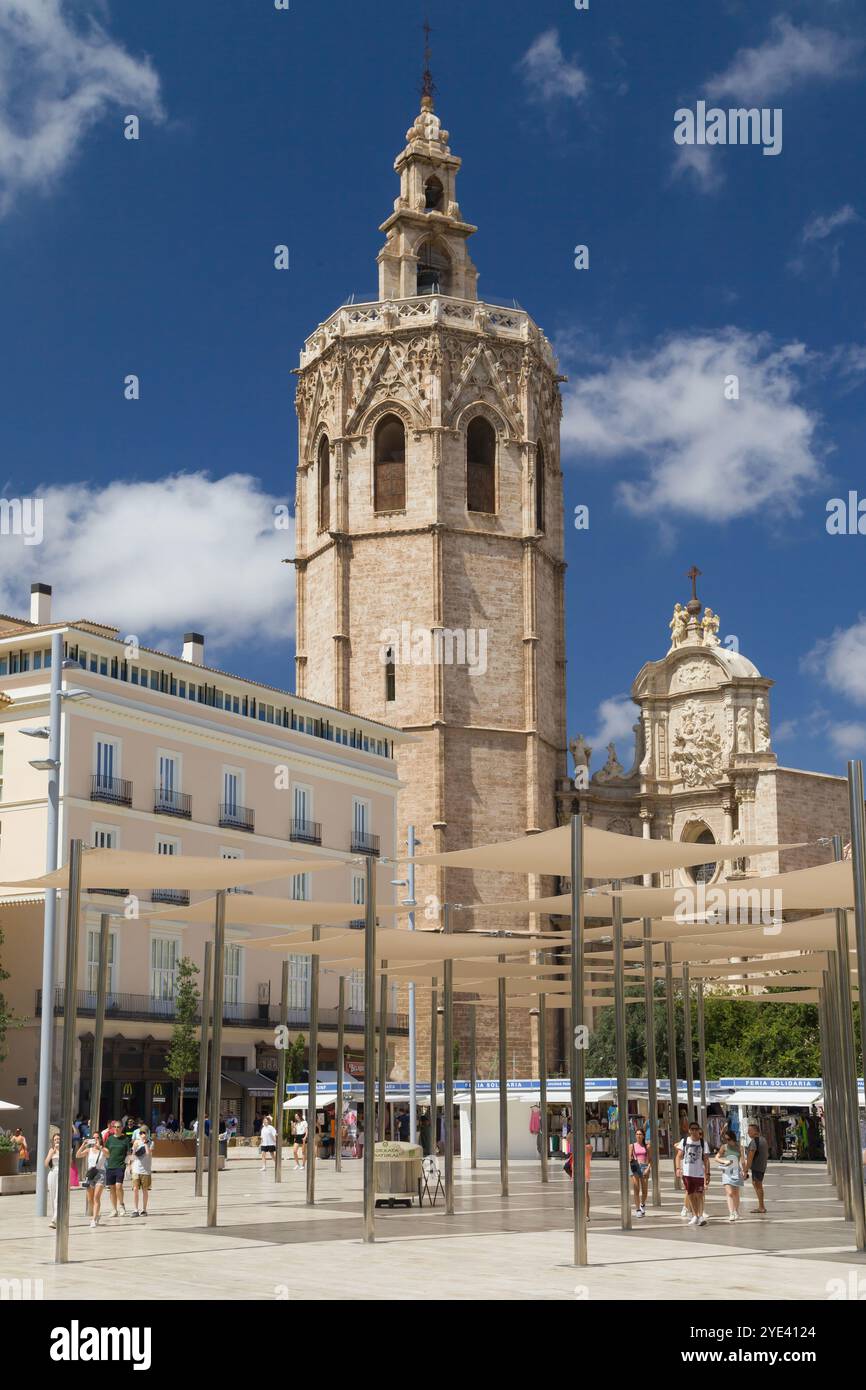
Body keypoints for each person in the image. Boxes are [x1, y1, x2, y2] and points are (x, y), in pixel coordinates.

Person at [675, 1121, 711, 1227]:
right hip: (687, 1173)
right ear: (689, 1130)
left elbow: (706, 1160)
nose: (694, 1131)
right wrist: (678, 1168)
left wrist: (708, 1173)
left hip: (699, 1173)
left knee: (699, 1195)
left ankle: (700, 1216)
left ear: (699, 1130)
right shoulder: (685, 1141)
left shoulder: (703, 1143)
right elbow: (678, 1156)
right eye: (692, 1129)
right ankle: (695, 1215)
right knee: (690, 1194)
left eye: (696, 1129)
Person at [77, 1129, 108, 1227]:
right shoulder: (89, 1150)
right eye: (94, 1138)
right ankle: (97, 1215)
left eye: (97, 1138)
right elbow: (78, 1155)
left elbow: (108, 1155)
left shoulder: (104, 1149)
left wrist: (100, 1147)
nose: (95, 1140)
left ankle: (94, 1219)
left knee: (96, 1197)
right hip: (91, 1174)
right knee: (90, 1199)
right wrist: (83, 1145)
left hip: (100, 1174)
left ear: (101, 1139)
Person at [713, 1128, 745, 1221]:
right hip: (727, 1171)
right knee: (729, 1193)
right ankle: (731, 1212)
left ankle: (736, 1211)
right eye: (726, 1139)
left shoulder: (739, 1147)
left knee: (736, 1193)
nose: (727, 1141)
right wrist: (724, 1161)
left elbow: (742, 1160)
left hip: (736, 1171)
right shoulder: (724, 1147)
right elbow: (716, 1157)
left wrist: (745, 1171)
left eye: (729, 1139)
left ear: (733, 1138)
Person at [103, 1119, 131, 1217]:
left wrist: (129, 1165)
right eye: (114, 1127)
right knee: (112, 1188)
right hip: (110, 1165)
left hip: (120, 1165)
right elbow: (106, 1151)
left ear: (122, 1128)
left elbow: (128, 1153)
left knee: (119, 1186)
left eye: (118, 1127)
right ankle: (114, 1209)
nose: (116, 1129)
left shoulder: (126, 1139)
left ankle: (121, 1205)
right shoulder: (110, 1139)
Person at [744, 1122, 769, 1214]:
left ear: (755, 1131)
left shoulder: (754, 1142)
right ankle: (761, 1206)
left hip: (757, 1167)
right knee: (758, 1186)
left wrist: (745, 1170)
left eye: (749, 1131)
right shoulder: (763, 1140)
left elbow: (750, 1158)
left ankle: (761, 1207)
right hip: (762, 1166)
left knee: (758, 1186)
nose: (748, 1132)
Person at [130, 1126, 153, 1216]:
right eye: (141, 1133)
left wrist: (145, 1143)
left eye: (144, 1133)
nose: (142, 1135)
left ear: (147, 1133)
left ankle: (144, 1209)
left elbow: (148, 1154)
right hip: (136, 1168)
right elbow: (133, 1154)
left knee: (145, 1190)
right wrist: (130, 1165)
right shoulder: (136, 1142)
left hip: (146, 1170)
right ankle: (135, 1209)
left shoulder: (151, 1142)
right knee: (135, 1189)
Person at [629, 1127, 651, 1217]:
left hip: (644, 1167)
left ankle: (642, 1204)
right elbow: (629, 1157)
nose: (638, 1136)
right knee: (636, 1189)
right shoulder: (632, 1146)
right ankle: (638, 1209)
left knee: (645, 1190)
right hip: (635, 1167)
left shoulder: (647, 1146)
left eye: (640, 1134)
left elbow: (650, 1159)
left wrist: (648, 1168)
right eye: (637, 1134)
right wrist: (631, 1159)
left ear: (643, 1136)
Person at [44, 1133, 62, 1227]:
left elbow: (70, 1163)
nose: (57, 1141)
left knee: (58, 1197)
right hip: (52, 1173)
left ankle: (54, 1219)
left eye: (58, 1139)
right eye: (55, 1139)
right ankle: (55, 1217)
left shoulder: (64, 1150)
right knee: (52, 1196)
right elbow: (46, 1164)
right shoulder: (52, 1150)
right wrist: (52, 1153)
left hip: (61, 1174)